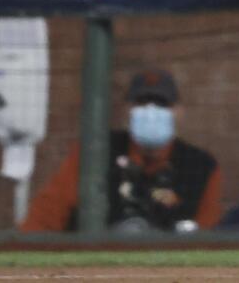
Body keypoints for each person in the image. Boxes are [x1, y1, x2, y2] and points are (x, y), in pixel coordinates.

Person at [22, 69, 225, 232]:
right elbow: (45, 217)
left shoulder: (201, 166)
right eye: (142, 103)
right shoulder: (95, 153)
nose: (151, 111)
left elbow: (208, 234)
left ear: (179, 112)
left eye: (162, 103)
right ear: (127, 110)